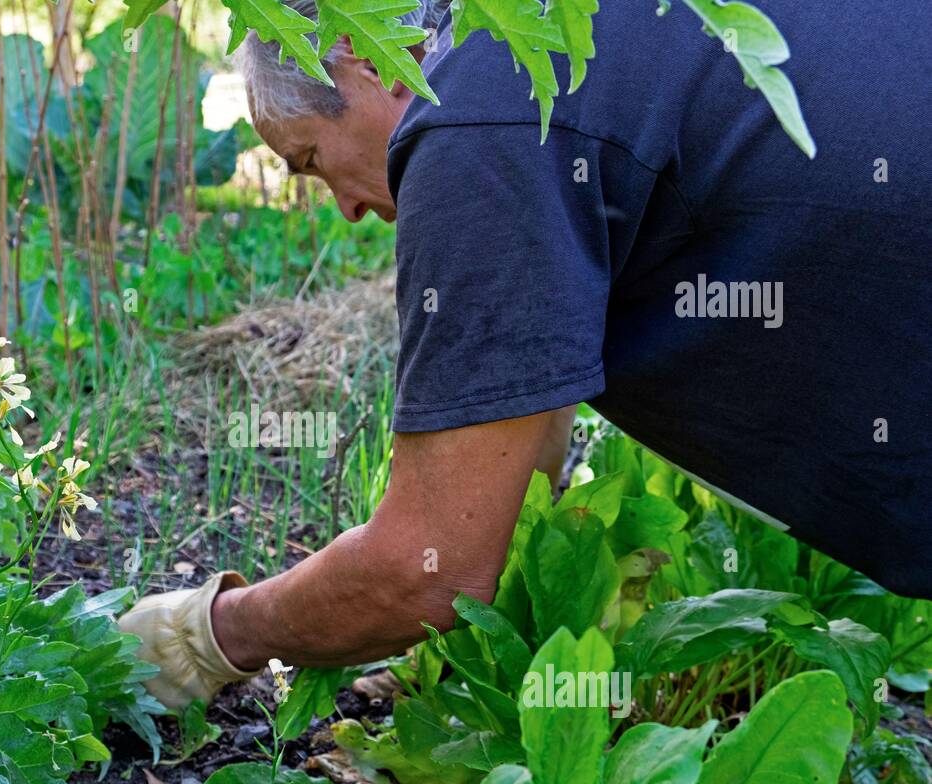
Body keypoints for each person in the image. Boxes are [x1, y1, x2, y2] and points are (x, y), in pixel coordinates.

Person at [120, 0, 932, 708]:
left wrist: (212, 634)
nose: (345, 210)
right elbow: (519, 435)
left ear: (369, 62)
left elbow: (424, 570)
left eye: (309, 161)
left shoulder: (476, 125)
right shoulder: (551, 38)